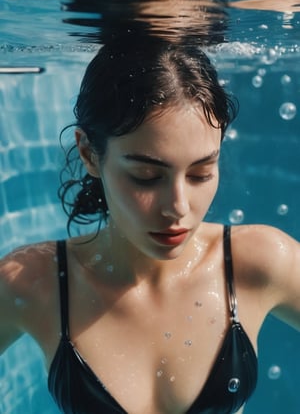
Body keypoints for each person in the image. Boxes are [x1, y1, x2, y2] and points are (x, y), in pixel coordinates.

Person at [0, 38, 300, 414]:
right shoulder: (33, 281)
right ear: (89, 153)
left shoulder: (259, 262)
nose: (178, 207)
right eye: (145, 176)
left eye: (201, 173)